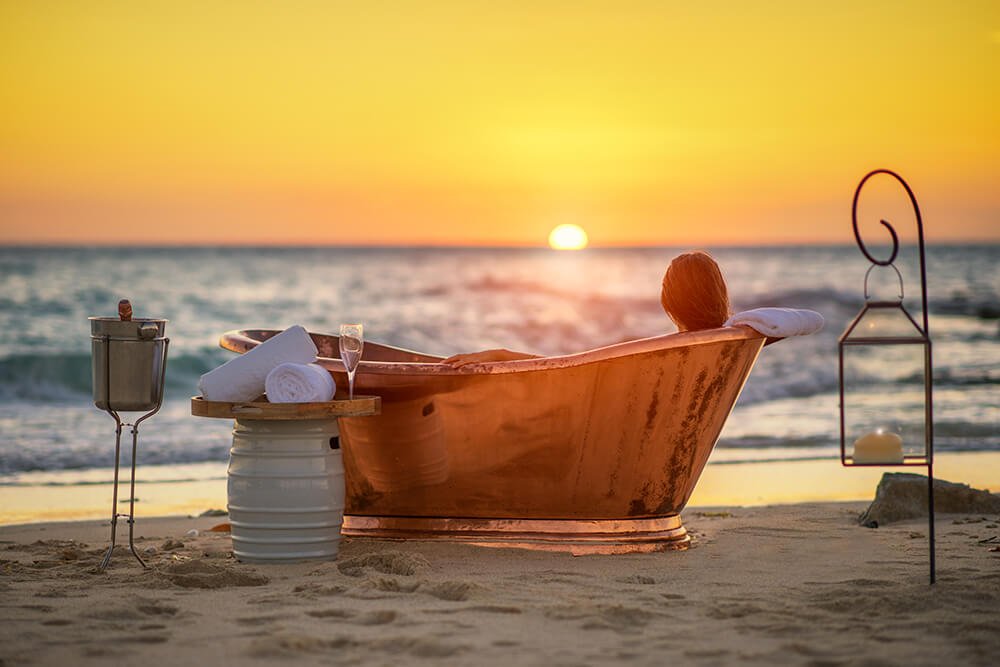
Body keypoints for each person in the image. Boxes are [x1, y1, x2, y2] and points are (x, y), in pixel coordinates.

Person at [441, 250, 731, 368]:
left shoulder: (664, 353)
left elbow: (570, 371)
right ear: (719, 294)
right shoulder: (733, 343)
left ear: (669, 300)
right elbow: (775, 321)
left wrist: (501, 355)